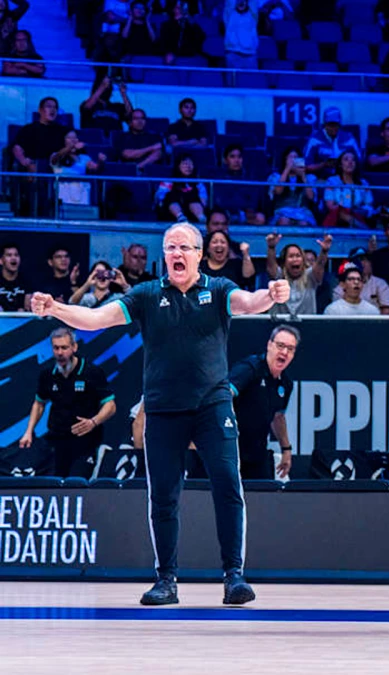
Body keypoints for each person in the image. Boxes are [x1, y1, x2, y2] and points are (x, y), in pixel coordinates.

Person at [29, 222, 290, 607]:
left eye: (184, 247)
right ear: (164, 255)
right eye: (170, 247)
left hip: (213, 406)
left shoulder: (217, 290)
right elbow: (97, 319)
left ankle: (234, 576)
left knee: (227, 487)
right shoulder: (147, 294)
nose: (176, 253)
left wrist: (271, 293)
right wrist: (55, 309)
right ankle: (165, 580)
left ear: (199, 254)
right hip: (164, 410)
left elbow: (250, 304)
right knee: (163, 496)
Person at [19, 328, 117, 477]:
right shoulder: (47, 375)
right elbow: (39, 404)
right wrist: (28, 432)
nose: (60, 353)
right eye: (56, 348)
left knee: (77, 482)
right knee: (55, 484)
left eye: (64, 347)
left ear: (74, 347)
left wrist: (93, 422)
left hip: (85, 440)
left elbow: (110, 406)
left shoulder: (91, 372)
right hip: (57, 440)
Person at [229, 325, 297, 479]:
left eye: (290, 349)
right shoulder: (250, 369)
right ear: (269, 345)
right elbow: (222, 397)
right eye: (280, 346)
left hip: (257, 454)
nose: (284, 352)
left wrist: (286, 449)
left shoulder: (286, 384)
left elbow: (278, 417)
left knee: (263, 497)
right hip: (230, 451)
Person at [0, 242, 29, 311]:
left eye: (16, 255)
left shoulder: (27, 282)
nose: (13, 258)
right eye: (9, 255)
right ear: (1, 261)